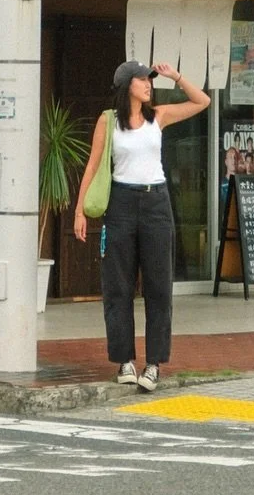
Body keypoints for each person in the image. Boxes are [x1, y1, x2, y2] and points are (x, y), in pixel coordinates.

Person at [73, 58, 209, 392]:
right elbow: (92, 166)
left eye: (149, 80)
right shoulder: (108, 122)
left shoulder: (158, 116)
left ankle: (153, 365)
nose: (148, 84)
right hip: (120, 203)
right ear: (126, 86)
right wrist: (79, 210)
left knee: (158, 287)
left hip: (156, 204)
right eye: (142, 80)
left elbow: (202, 101)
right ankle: (124, 362)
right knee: (118, 286)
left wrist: (175, 75)